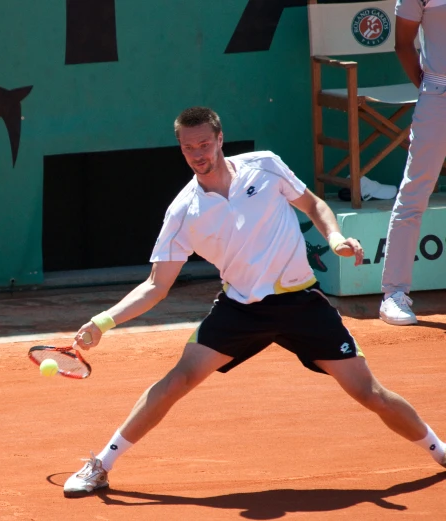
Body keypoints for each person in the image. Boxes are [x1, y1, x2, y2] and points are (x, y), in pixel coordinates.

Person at [62, 107, 446, 498]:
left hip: (301, 303)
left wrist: (334, 240)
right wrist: (103, 322)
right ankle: (101, 466)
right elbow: (156, 286)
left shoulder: (265, 166)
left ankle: (440, 450)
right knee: (177, 380)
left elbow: (313, 205)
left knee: (369, 393)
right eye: (188, 147)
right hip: (240, 309)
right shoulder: (183, 212)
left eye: (205, 144)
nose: (198, 154)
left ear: (220, 140)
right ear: (180, 149)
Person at [379, 0, 446, 325]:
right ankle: (394, 293)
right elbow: (403, 43)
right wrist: (430, 88)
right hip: (438, 96)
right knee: (415, 194)